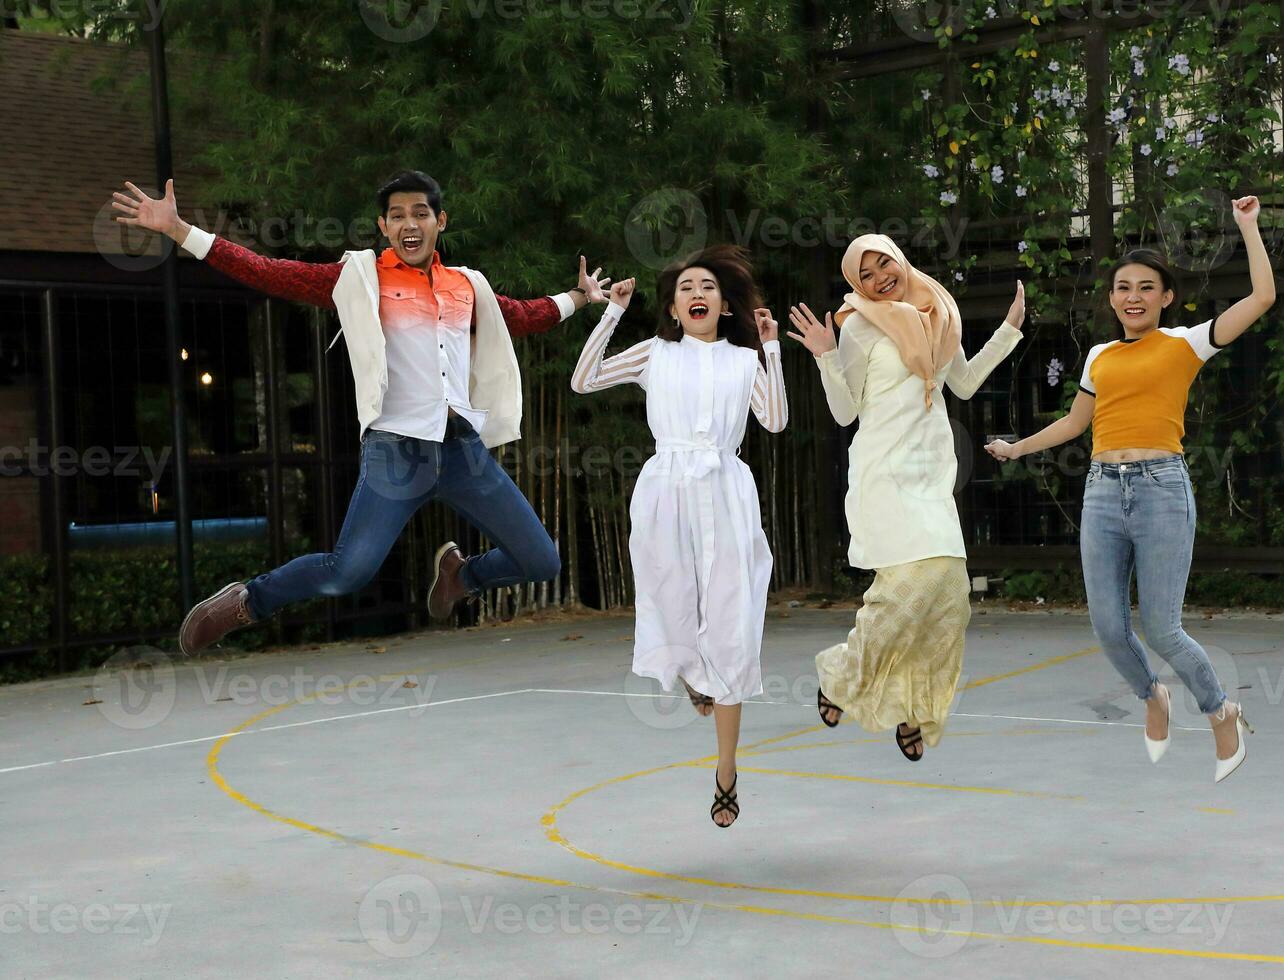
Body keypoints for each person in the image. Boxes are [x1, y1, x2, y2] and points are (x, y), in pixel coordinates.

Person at [111, 171, 610, 654]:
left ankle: (464, 576)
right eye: (397, 216)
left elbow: (521, 315)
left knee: (541, 559)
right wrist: (180, 230)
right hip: (396, 451)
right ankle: (248, 601)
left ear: (441, 221)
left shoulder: (465, 285)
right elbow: (273, 273)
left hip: (463, 451)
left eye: (421, 213)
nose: (409, 224)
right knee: (348, 570)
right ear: (383, 227)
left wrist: (579, 297)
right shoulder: (360, 278)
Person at [985, 196, 1275, 783]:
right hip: (1100, 491)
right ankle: (1152, 697)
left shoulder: (1186, 343)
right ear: (1113, 297)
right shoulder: (1099, 355)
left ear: (1165, 298)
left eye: (1147, 287)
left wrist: (1248, 227)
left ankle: (1220, 709)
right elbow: (1074, 424)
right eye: (1123, 287)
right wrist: (1017, 449)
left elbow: (1262, 297)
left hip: (1161, 488)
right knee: (1107, 627)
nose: (1133, 296)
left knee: (1163, 628)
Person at [570, 245, 787, 827]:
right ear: (672, 305)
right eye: (687, 286)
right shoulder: (656, 353)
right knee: (670, 603)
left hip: (725, 489)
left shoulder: (745, 361)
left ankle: (726, 771)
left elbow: (775, 420)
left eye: (709, 287)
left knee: (732, 622)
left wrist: (770, 348)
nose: (697, 293)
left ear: (724, 305)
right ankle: (694, 674)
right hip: (665, 489)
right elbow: (584, 378)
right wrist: (612, 312)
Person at [788, 234, 1024, 762]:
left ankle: (915, 708)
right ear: (856, 285)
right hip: (882, 470)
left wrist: (1009, 330)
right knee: (903, 592)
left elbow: (962, 383)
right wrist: (826, 355)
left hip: (929, 470)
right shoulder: (860, 326)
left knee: (948, 598)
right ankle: (843, 675)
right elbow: (845, 412)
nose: (877, 279)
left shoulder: (936, 311)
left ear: (900, 260)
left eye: (883, 264)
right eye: (864, 274)